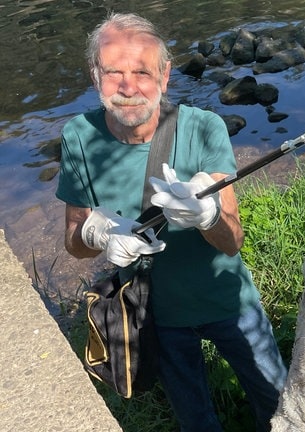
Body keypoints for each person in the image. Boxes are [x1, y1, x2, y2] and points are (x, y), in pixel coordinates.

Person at [55, 12, 287, 431]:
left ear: (164, 76)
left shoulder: (204, 129)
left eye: (142, 72)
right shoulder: (78, 136)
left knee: (281, 405)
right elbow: (73, 240)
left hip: (227, 301)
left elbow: (232, 241)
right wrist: (98, 231)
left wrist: (208, 214)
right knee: (195, 420)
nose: (128, 87)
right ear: (95, 77)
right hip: (153, 313)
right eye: (113, 73)